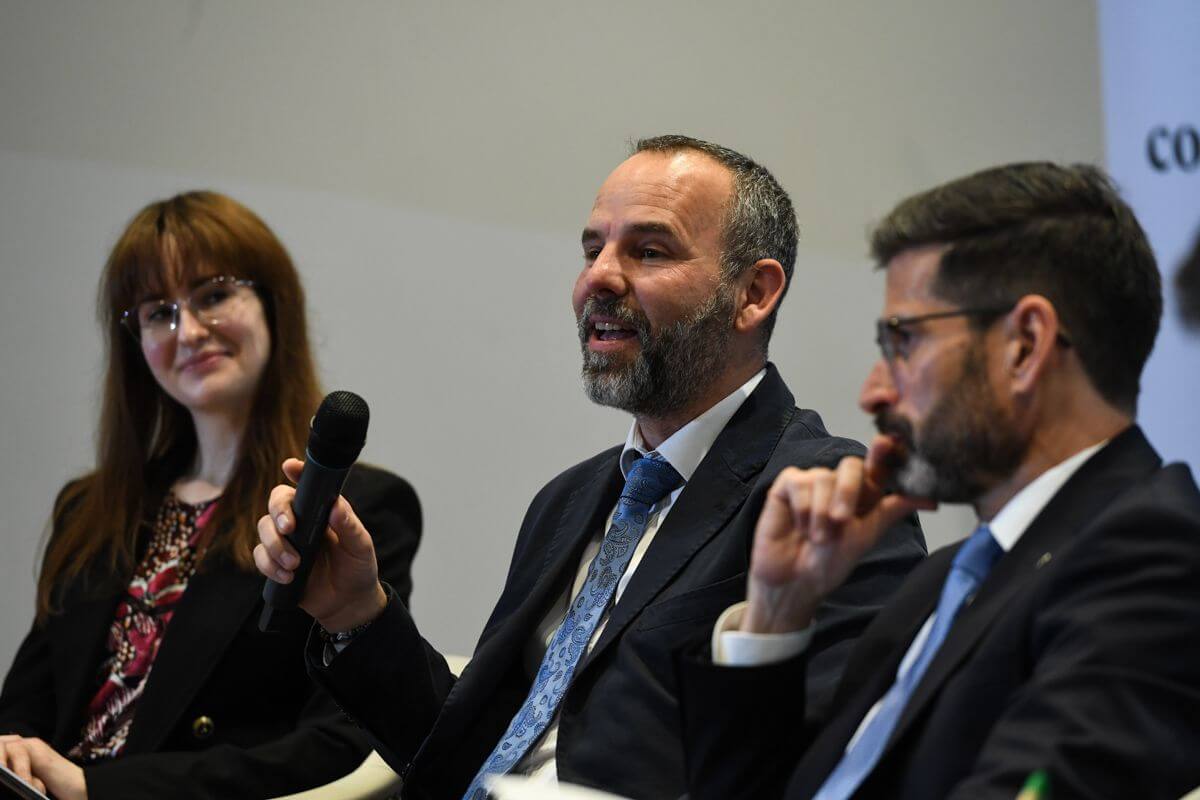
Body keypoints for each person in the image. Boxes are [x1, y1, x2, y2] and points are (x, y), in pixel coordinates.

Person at [254, 135, 927, 799]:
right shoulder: (570, 498)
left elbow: (824, 771)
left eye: (649, 251)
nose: (597, 278)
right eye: (592, 249)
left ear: (752, 292)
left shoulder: (823, 498)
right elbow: (475, 759)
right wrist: (357, 611)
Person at [679, 162, 1200, 799]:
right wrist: (775, 617)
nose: (873, 392)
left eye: (902, 342)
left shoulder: (1155, 561)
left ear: (1024, 345)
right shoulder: (941, 583)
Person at [0, 191, 422, 800]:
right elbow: (23, 710)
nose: (190, 331)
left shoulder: (351, 507)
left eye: (214, 295)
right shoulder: (88, 507)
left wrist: (98, 789)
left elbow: (335, 740)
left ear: (272, 304)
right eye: (158, 312)